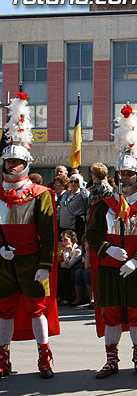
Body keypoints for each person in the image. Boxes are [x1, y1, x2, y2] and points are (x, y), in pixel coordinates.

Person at [86, 104, 137, 379]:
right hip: (109, 266)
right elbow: (92, 234)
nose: (126, 178)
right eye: (122, 174)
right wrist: (108, 249)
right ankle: (111, 359)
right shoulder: (103, 204)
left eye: (130, 174)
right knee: (111, 314)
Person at [0, 92, 59, 379]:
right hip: (3, 260)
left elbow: (48, 233)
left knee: (38, 310)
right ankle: (3, 358)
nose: (13, 167)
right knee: (3, 311)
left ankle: (44, 357)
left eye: (17, 163)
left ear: (26, 165)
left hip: (32, 260)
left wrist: (45, 264)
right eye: (9, 164)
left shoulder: (41, 194)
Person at [58, 173, 89, 241]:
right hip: (63, 224)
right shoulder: (65, 193)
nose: (73, 184)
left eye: (76, 182)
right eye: (71, 182)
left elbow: (87, 198)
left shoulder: (82, 193)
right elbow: (61, 206)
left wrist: (81, 186)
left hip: (75, 225)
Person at [58, 230, 83, 306]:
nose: (63, 243)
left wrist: (65, 252)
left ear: (72, 239)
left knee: (63, 272)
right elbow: (62, 264)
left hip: (75, 269)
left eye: (65, 240)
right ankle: (61, 295)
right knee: (60, 271)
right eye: (62, 240)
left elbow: (68, 264)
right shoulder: (67, 250)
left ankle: (68, 297)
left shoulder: (77, 250)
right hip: (69, 269)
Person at [72, 235, 93, 308]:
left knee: (86, 272)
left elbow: (87, 266)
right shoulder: (83, 251)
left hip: (95, 269)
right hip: (87, 268)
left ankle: (92, 298)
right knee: (78, 272)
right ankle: (79, 298)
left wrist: (88, 251)